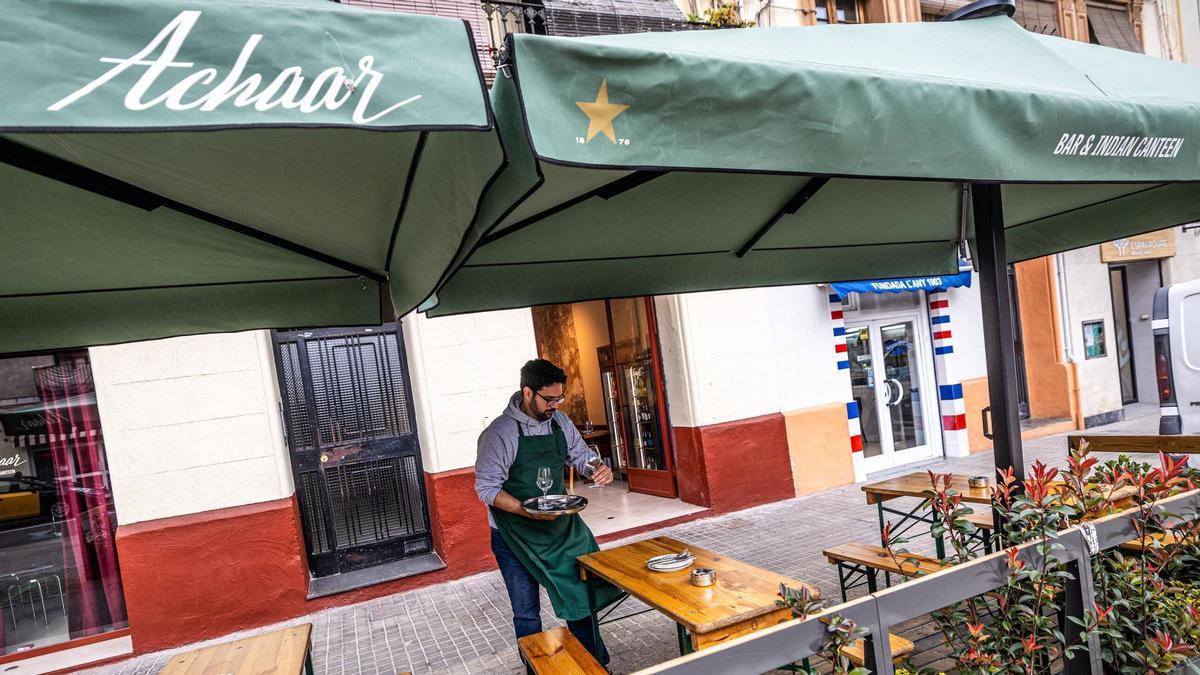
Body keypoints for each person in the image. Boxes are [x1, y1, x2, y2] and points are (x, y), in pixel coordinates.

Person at [475, 359, 622, 666]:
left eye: (560, 398)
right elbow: (487, 489)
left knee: (580, 597)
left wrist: (597, 468)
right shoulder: (499, 434)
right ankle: (536, 669)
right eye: (549, 399)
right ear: (528, 393)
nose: (556, 405)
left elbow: (580, 456)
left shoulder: (561, 422)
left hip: (559, 528)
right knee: (526, 612)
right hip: (513, 535)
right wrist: (524, 510)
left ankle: (594, 665)